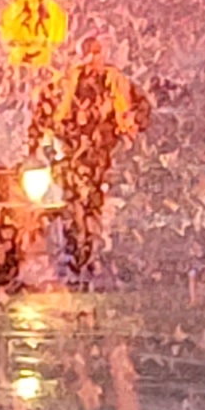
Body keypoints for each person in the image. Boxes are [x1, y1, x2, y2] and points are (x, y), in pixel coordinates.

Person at [34, 35, 149, 280]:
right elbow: (45, 110)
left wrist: (130, 122)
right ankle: (76, 254)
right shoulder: (67, 82)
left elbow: (141, 108)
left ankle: (88, 256)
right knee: (73, 205)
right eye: (89, 52)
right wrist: (46, 139)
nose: (94, 58)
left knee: (93, 206)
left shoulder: (116, 82)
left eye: (98, 52)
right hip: (71, 155)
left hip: (101, 156)